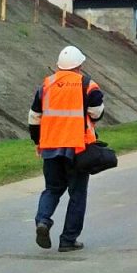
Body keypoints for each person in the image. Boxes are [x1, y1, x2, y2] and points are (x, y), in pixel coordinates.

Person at [28, 45, 104, 252]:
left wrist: (37, 141)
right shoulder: (87, 85)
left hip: (50, 147)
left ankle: (43, 221)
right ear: (79, 65)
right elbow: (96, 113)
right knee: (77, 194)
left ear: (59, 66)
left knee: (52, 188)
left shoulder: (46, 85)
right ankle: (68, 240)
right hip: (77, 148)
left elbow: (34, 118)